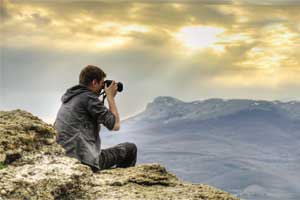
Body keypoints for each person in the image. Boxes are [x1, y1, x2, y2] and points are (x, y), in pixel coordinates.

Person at [54, 65, 137, 172]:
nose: (103, 87)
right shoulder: (88, 98)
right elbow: (115, 125)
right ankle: (122, 182)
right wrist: (110, 97)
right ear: (94, 82)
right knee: (130, 148)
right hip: (84, 161)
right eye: (102, 83)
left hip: (66, 158)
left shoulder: (71, 98)